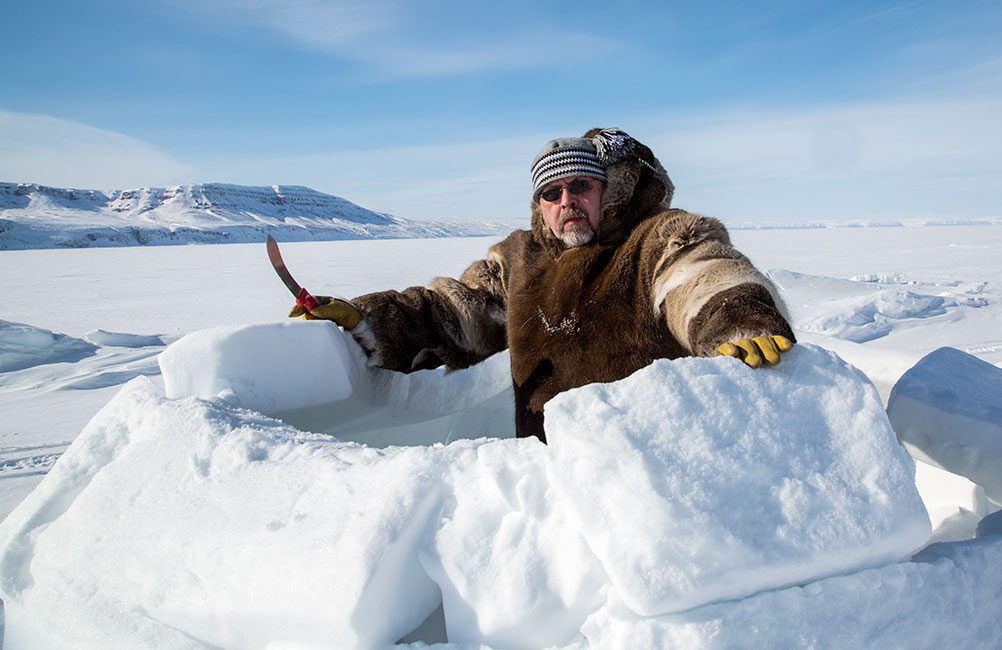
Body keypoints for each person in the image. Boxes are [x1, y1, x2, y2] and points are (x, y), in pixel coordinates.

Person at [290, 128, 795, 442]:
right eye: (552, 192)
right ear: (540, 204)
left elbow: (700, 272)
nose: (566, 200)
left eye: (581, 186)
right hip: (546, 467)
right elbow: (453, 312)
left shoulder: (658, 236)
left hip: (653, 469)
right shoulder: (519, 257)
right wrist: (365, 320)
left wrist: (736, 320)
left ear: (610, 191)